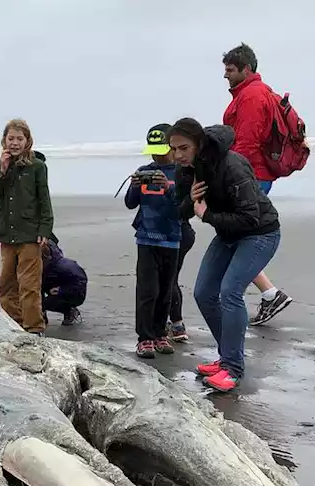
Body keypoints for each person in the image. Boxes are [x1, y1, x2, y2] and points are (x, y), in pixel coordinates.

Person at [169, 117, 281, 392]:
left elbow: (251, 218)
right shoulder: (187, 170)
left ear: (199, 144)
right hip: (227, 235)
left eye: (184, 148)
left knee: (230, 291)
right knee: (204, 292)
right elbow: (179, 212)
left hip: (261, 234)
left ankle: (232, 368)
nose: (178, 155)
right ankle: (227, 357)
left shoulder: (233, 164)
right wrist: (189, 199)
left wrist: (207, 215)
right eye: (174, 149)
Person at [220, 42, 294, 326]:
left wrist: (231, 177)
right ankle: (270, 293)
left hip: (251, 176)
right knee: (237, 239)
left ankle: (270, 294)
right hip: (255, 174)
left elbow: (246, 143)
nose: (225, 75)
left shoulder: (252, 96)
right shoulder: (251, 93)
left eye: (230, 70)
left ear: (246, 69)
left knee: (240, 239)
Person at [0, 118, 53, 336]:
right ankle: (14, 323)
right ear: (4, 140)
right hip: (7, 234)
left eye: (19, 139)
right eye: (11, 138)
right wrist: (2, 170)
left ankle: (34, 327)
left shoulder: (37, 167)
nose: (14, 143)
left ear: (27, 141)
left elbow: (44, 199)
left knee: (29, 284)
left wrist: (45, 229)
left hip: (30, 235)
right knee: (5, 284)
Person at [123, 123, 185, 358]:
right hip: (146, 238)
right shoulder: (144, 169)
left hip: (171, 238)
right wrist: (134, 186)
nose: (157, 155)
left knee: (165, 291)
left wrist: (167, 187)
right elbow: (130, 203)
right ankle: (145, 337)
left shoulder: (181, 172)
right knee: (147, 291)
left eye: (162, 149)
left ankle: (160, 333)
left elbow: (184, 206)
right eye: (153, 150)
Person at [40, 240, 86, 326]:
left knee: (44, 303)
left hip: (73, 293)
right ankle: (41, 317)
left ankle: (69, 311)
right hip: (50, 287)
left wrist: (62, 290)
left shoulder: (65, 266)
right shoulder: (39, 267)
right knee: (37, 299)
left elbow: (81, 282)